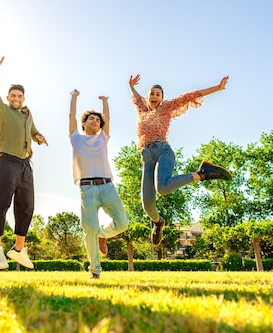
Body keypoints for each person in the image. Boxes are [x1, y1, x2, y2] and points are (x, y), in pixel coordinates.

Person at [129, 74, 232, 245]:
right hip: (147, 158)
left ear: (162, 98)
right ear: (147, 97)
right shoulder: (142, 109)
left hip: (163, 151)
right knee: (147, 205)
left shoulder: (166, 107)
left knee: (162, 188)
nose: (154, 96)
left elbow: (191, 96)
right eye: (152, 94)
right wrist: (131, 85)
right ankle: (158, 222)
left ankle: (203, 173)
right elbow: (135, 97)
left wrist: (217, 87)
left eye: (158, 94)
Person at [0, 49, 48, 270]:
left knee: (27, 206)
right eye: (12, 96)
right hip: (7, 162)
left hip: (25, 165)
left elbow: (31, 129)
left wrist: (38, 137)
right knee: (2, 203)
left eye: (19, 96)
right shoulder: (2, 110)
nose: (16, 99)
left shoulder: (27, 113)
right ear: (8, 97)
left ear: (23, 98)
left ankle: (19, 249)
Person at [69, 89, 128, 280]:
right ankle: (95, 270)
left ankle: (103, 234)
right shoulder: (76, 138)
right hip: (87, 189)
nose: (95, 121)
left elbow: (108, 117)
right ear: (84, 123)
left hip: (107, 186)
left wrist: (105, 102)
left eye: (98, 120)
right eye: (91, 119)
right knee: (89, 229)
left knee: (122, 224)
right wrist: (74, 98)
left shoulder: (103, 138)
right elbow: (71, 115)